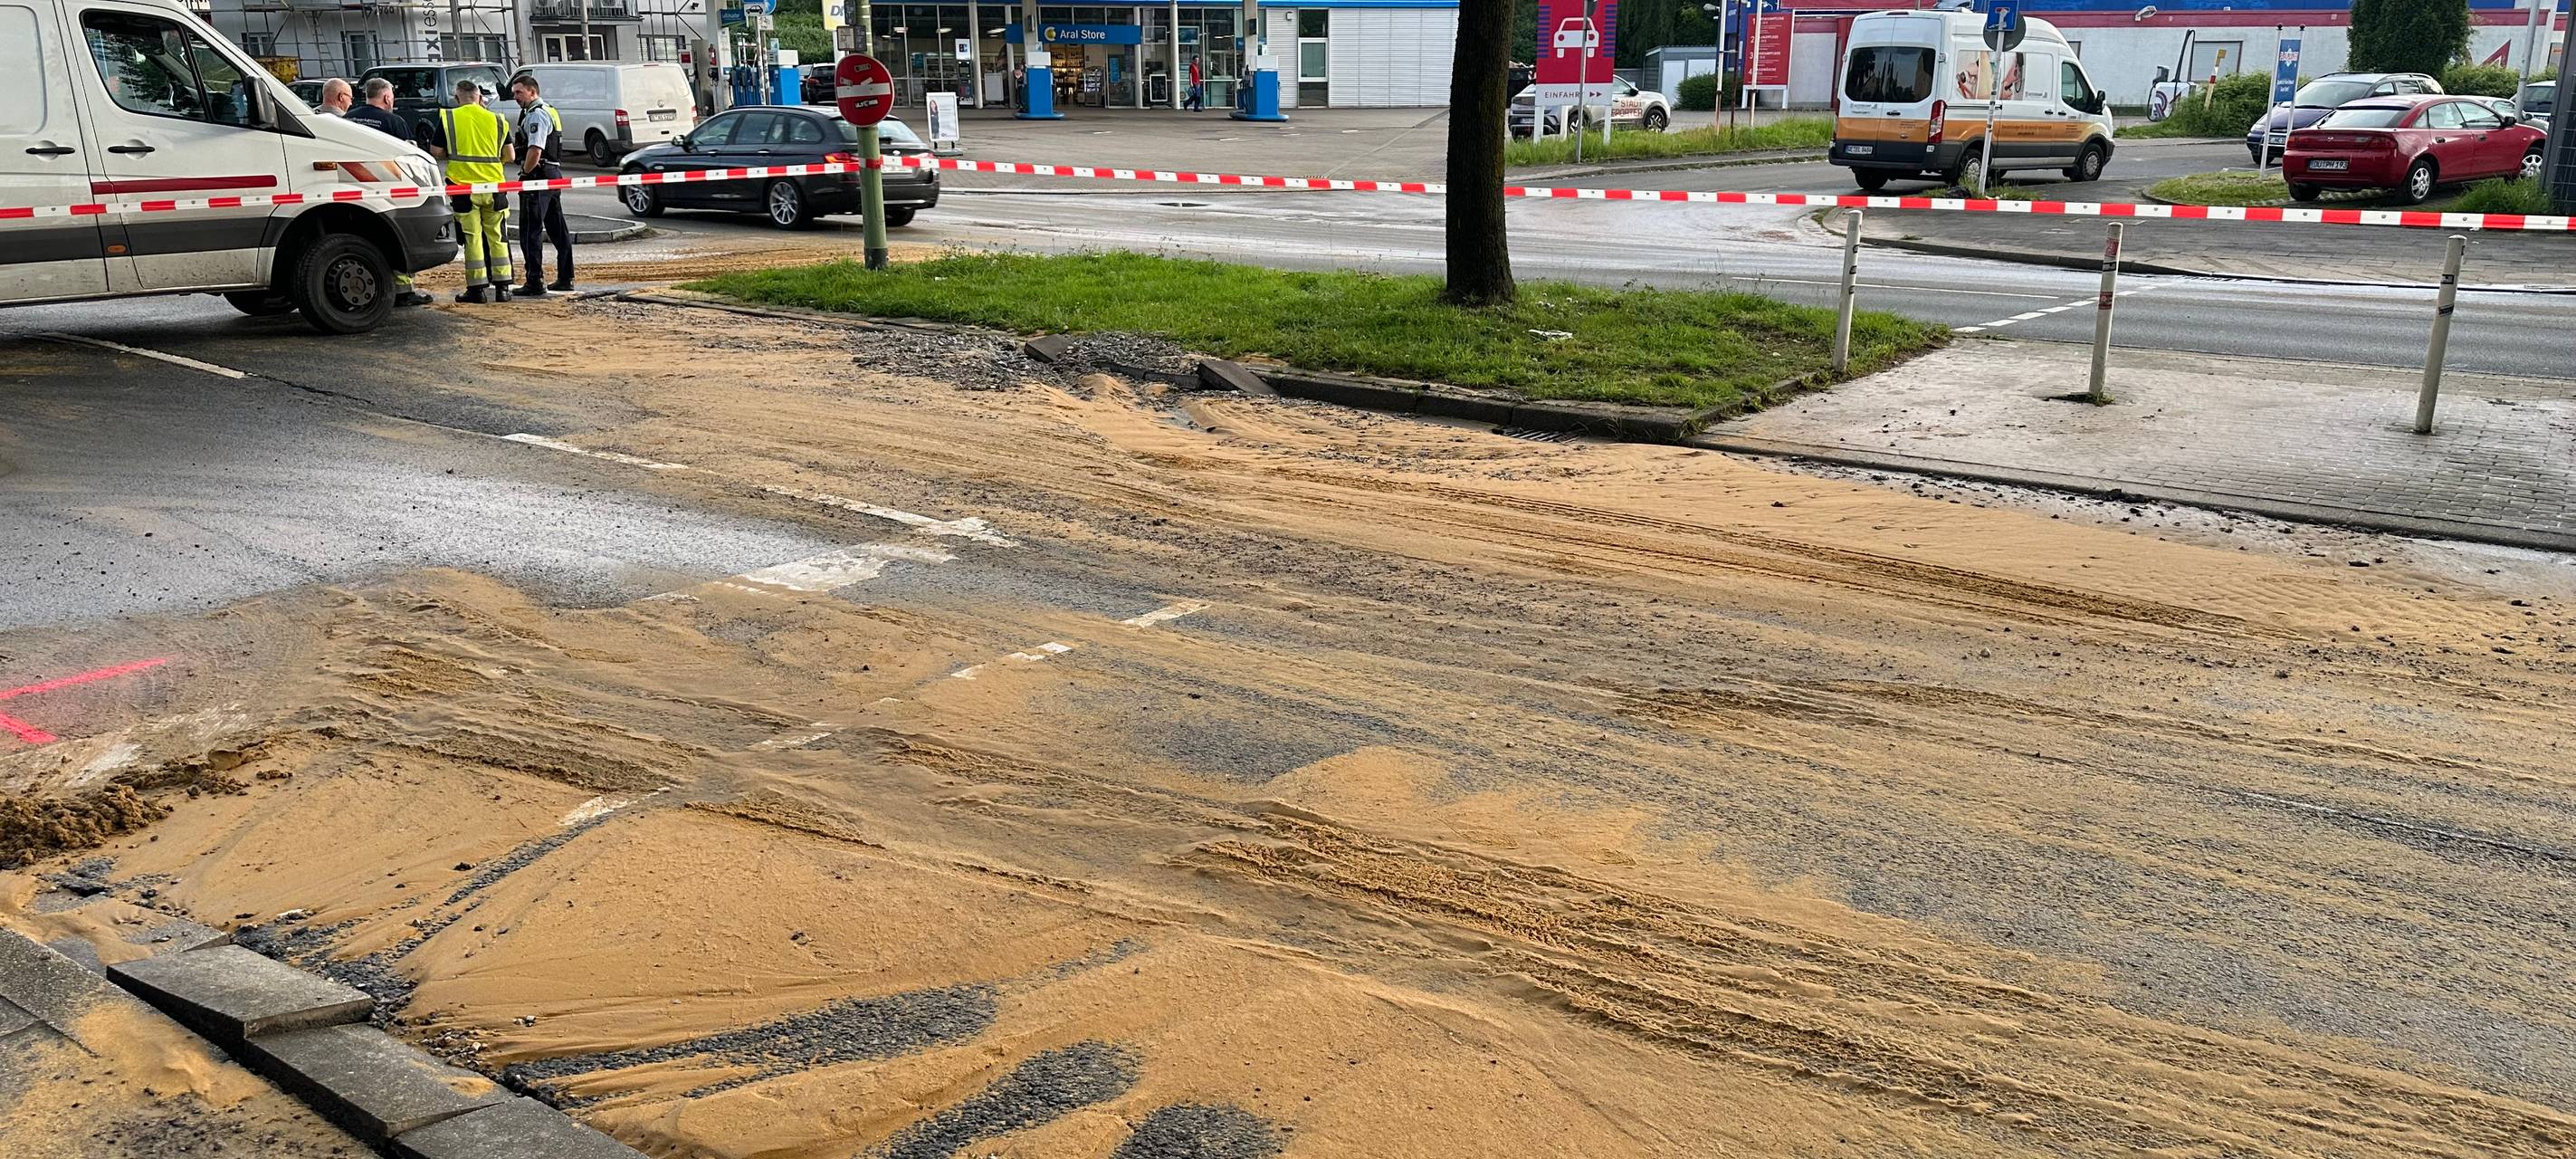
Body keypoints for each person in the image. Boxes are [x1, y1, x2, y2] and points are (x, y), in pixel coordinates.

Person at [344, 79, 434, 308]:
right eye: (392, 96)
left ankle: (372, 287)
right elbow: (411, 157)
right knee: (396, 238)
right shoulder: (393, 121)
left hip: (350, 192)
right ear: (386, 97)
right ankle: (403, 291)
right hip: (388, 190)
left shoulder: (347, 120)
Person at [424, 79, 513, 303]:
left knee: (472, 238)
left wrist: (453, 155)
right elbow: (510, 156)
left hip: (463, 187)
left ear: (457, 98)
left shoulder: (450, 118)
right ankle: (503, 289)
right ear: (480, 97)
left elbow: (435, 150)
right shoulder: (497, 120)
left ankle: (477, 290)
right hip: (494, 186)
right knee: (498, 237)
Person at [507, 74, 573, 297]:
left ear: (532, 92)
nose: (516, 97)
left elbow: (535, 150)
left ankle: (534, 280)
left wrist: (525, 172)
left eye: (519, 92)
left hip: (538, 175)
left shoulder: (536, 115)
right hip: (552, 174)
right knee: (557, 229)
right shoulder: (549, 110)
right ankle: (566, 277)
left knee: (530, 230)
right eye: (515, 93)